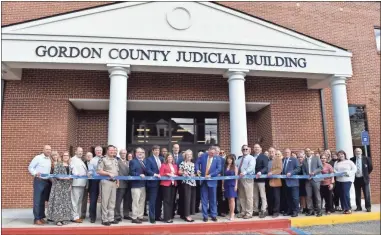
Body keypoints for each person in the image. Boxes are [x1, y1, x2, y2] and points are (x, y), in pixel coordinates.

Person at [195, 146, 221, 222]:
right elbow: (197, 163)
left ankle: (213, 215)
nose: (213, 154)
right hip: (204, 182)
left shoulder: (217, 158)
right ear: (208, 151)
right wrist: (197, 170)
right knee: (204, 200)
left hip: (212, 182)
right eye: (211, 153)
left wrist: (211, 175)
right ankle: (205, 216)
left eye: (214, 153)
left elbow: (218, 169)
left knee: (213, 199)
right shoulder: (203, 156)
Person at [28, 145, 52, 225]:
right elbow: (30, 167)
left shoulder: (49, 159)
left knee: (42, 200)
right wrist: (35, 173)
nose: (48, 151)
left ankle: (41, 217)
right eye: (47, 149)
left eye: (49, 149)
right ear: (43, 150)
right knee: (37, 200)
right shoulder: (38, 157)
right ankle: (36, 218)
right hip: (39, 181)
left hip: (46, 181)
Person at [47, 151, 73, 226]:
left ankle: (64, 219)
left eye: (67, 155)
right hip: (58, 185)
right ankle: (58, 220)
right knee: (58, 203)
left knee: (65, 202)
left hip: (66, 186)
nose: (65, 157)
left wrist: (70, 185)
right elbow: (55, 174)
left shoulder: (69, 165)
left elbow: (71, 177)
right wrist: (63, 178)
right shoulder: (58, 164)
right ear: (62, 157)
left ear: (69, 157)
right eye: (64, 155)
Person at [97, 145, 119, 226]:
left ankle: (111, 218)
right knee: (105, 201)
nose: (112, 152)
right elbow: (99, 171)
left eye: (113, 150)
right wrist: (108, 173)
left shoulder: (115, 160)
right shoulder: (103, 159)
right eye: (111, 150)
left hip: (114, 182)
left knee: (112, 201)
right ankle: (105, 219)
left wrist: (118, 181)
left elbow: (117, 171)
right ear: (107, 151)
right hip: (106, 182)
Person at [299, 148, 323, 217]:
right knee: (308, 196)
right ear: (305, 153)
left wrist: (314, 172)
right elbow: (303, 170)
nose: (308, 152)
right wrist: (306, 176)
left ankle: (319, 211)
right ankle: (310, 210)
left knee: (317, 196)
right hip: (308, 180)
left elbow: (320, 167)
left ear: (311, 151)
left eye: (309, 151)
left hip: (315, 180)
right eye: (306, 151)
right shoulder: (304, 161)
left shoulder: (316, 158)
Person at [334, 150, 357, 214]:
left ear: (344, 155)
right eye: (339, 155)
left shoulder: (349, 162)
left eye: (342, 154)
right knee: (341, 194)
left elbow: (354, 169)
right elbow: (334, 170)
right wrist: (338, 173)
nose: (340, 156)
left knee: (345, 194)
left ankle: (348, 208)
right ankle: (344, 208)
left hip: (347, 180)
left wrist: (348, 173)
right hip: (339, 180)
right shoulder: (336, 162)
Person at [235, 145, 255, 219]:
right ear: (242, 150)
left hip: (248, 179)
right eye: (244, 149)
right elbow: (235, 166)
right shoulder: (239, 159)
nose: (245, 150)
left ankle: (249, 213)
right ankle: (243, 211)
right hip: (240, 179)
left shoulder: (251, 158)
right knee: (242, 196)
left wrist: (244, 172)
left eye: (246, 149)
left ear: (249, 150)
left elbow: (251, 167)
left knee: (249, 197)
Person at [145, 145, 164, 224]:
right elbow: (147, 170)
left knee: (159, 201)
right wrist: (154, 174)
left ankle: (158, 216)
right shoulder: (149, 159)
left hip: (161, 183)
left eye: (158, 150)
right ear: (152, 151)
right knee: (152, 201)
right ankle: (152, 217)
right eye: (155, 150)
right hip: (153, 183)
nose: (157, 152)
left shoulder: (161, 159)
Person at [351, 148, 373, 212]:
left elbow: (370, 168)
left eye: (359, 151)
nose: (358, 152)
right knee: (357, 194)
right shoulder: (352, 159)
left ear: (361, 152)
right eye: (356, 151)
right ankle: (358, 207)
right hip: (356, 179)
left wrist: (365, 174)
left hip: (364, 179)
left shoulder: (366, 158)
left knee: (366, 194)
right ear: (354, 152)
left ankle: (368, 207)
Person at [129, 147, 147, 224]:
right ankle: (134, 217)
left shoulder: (144, 162)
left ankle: (140, 216)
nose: (140, 154)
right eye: (139, 152)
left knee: (142, 202)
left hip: (143, 185)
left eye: (142, 152)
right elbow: (131, 172)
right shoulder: (133, 161)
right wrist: (139, 174)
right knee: (135, 202)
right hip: (135, 185)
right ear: (136, 153)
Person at [160, 152, 179, 223]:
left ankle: (170, 216)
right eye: (169, 157)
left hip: (173, 184)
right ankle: (166, 218)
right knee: (166, 201)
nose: (170, 158)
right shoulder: (163, 165)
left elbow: (176, 174)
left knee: (172, 201)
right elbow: (161, 174)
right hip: (166, 185)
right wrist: (167, 174)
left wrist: (176, 175)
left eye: (171, 157)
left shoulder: (175, 165)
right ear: (166, 158)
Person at [70, 147, 87, 223]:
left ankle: (77, 216)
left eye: (82, 151)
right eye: (79, 151)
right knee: (74, 201)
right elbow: (73, 169)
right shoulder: (73, 159)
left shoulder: (80, 160)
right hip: (76, 183)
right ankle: (74, 217)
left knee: (79, 201)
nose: (80, 152)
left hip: (82, 183)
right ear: (75, 152)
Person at [281, 149, 300, 217]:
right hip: (285, 182)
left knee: (295, 198)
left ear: (290, 153)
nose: (286, 153)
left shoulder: (294, 159)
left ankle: (295, 211)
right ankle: (290, 210)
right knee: (288, 198)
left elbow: (298, 168)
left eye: (288, 152)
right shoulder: (282, 160)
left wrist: (291, 173)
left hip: (293, 182)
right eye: (285, 152)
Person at [179, 149, 196, 222]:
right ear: (185, 156)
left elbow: (194, 173)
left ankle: (184, 214)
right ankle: (187, 215)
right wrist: (183, 172)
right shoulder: (183, 163)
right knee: (187, 199)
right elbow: (179, 172)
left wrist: (195, 174)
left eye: (190, 155)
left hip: (192, 183)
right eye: (188, 155)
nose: (189, 156)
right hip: (186, 183)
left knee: (191, 199)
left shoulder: (193, 164)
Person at [115, 149, 132, 221]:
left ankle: (126, 214)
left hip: (128, 184)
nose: (123, 154)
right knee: (118, 200)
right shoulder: (117, 162)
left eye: (125, 153)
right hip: (121, 183)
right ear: (120, 154)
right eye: (122, 153)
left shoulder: (129, 162)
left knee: (127, 200)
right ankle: (117, 215)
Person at [88, 146, 103, 223]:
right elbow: (90, 170)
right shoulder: (92, 160)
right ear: (95, 152)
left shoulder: (105, 159)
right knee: (93, 199)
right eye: (97, 150)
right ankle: (92, 217)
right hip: (95, 181)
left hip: (104, 181)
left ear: (102, 151)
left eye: (100, 150)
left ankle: (103, 217)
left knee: (104, 199)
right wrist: (90, 173)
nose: (99, 151)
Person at [253, 144, 269, 218]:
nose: (256, 148)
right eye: (255, 147)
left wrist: (261, 172)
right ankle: (256, 210)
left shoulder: (264, 157)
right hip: (253, 179)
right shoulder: (252, 157)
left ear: (261, 149)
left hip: (261, 179)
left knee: (262, 195)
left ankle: (264, 209)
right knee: (255, 195)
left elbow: (266, 167)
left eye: (258, 147)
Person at [267, 149, 283, 218]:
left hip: (276, 181)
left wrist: (272, 173)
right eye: (270, 152)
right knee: (270, 197)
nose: (271, 153)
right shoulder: (268, 160)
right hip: (269, 181)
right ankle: (271, 211)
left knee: (276, 197)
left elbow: (279, 169)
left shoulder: (278, 160)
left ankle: (276, 212)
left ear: (275, 152)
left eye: (272, 152)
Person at [222, 154, 238, 221]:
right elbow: (223, 177)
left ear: (233, 160)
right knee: (228, 200)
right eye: (228, 158)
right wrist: (222, 185)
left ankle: (232, 214)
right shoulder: (225, 167)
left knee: (232, 199)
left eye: (231, 159)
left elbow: (236, 177)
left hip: (232, 184)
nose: (229, 160)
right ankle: (230, 212)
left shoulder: (235, 167)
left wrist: (236, 185)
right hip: (226, 184)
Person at [172, 144, 184, 218]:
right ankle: (172, 212)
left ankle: (180, 212)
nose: (176, 149)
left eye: (177, 148)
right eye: (175, 148)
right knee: (172, 197)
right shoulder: (169, 156)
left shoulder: (181, 157)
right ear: (172, 149)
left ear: (179, 149)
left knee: (181, 196)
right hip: (172, 180)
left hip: (180, 180)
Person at [81, 152, 93, 220]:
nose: (89, 157)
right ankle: (83, 214)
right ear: (85, 156)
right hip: (84, 183)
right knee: (84, 199)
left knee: (92, 200)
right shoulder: (83, 163)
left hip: (92, 184)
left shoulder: (94, 163)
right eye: (87, 155)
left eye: (90, 155)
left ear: (92, 156)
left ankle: (91, 214)